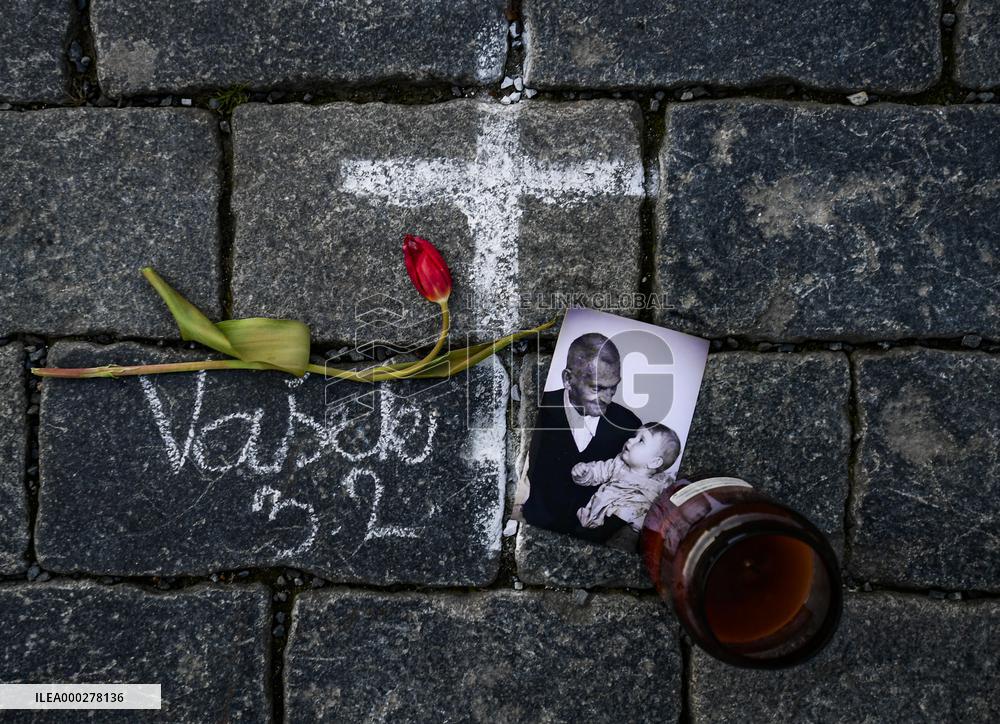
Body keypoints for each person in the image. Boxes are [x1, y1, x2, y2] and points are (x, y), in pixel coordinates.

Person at [520, 332, 642, 541]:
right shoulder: (538, 411)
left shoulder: (629, 427)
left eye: (613, 387)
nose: (607, 398)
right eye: (597, 388)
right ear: (568, 379)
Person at [572, 422, 681, 533]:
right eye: (634, 436)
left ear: (654, 462)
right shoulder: (618, 465)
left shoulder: (662, 484)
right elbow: (598, 472)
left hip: (629, 527)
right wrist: (584, 472)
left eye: (641, 440)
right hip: (601, 519)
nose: (630, 440)